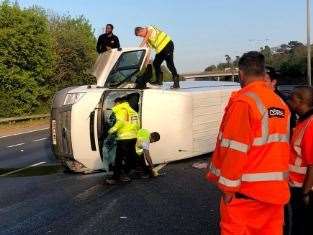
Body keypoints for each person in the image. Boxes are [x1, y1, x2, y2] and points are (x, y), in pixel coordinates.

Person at [206, 51, 291, 235]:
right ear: (263, 72)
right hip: (275, 194)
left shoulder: (244, 102)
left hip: (246, 196)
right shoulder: (279, 103)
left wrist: (228, 190)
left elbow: (235, 148)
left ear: (241, 73)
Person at [288, 86, 313, 235]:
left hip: (303, 188)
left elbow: (312, 165)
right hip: (297, 185)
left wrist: (305, 193)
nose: (289, 101)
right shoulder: (303, 122)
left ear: (300, 101)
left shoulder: (310, 125)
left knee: (302, 226)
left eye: (291, 99)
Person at [106, 97, 140, 184]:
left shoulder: (121, 110)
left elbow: (120, 122)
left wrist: (111, 130)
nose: (114, 105)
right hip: (133, 137)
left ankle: (116, 177)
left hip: (124, 138)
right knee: (130, 157)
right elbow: (137, 124)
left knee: (119, 159)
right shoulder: (133, 112)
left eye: (114, 103)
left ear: (118, 103)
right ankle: (126, 174)